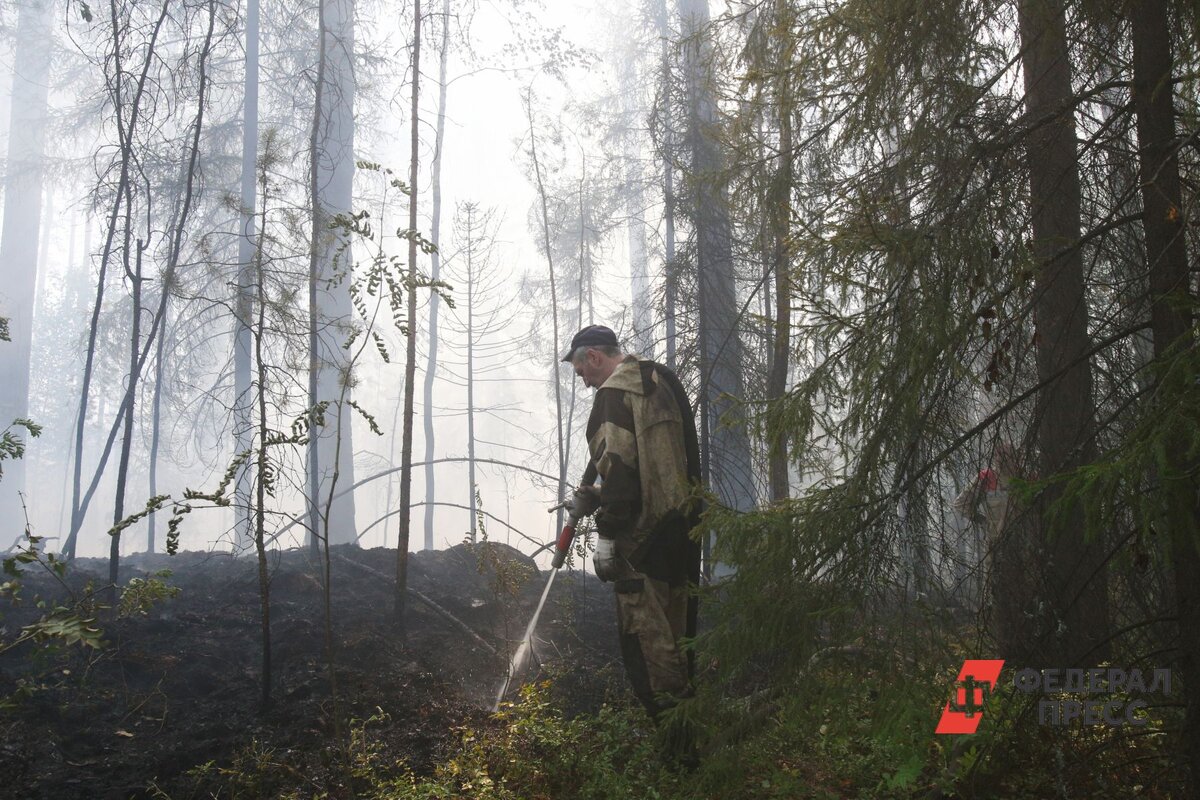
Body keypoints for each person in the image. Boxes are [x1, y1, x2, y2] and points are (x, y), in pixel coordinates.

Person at [562, 325, 702, 718]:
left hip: (640, 541)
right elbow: (651, 468)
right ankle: (689, 730)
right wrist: (595, 496)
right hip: (679, 530)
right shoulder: (656, 379)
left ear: (593, 357)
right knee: (676, 636)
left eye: (582, 372)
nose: (585, 383)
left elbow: (621, 469)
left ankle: (678, 749)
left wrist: (606, 534)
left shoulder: (612, 394)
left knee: (647, 644)